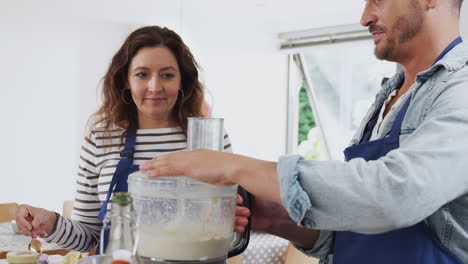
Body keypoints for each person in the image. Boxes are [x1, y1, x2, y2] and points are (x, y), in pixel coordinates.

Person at [139, 0, 468, 263]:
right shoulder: (386, 98)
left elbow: (393, 196)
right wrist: (277, 219)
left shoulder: (461, 91)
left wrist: (230, 165)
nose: (365, 16)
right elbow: (358, 227)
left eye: (377, 0)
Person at [15, 25, 236, 252]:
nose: (155, 86)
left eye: (167, 75)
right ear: (126, 81)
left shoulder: (211, 140)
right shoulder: (101, 139)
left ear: (183, 81)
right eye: (142, 74)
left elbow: (232, 225)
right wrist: (52, 223)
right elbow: (90, 237)